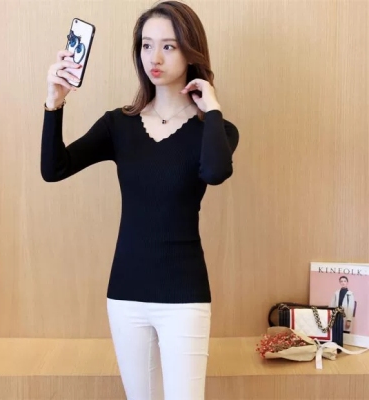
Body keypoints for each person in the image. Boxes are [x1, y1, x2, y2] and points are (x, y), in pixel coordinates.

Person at [41, 1, 239, 399]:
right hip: (126, 294)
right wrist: (54, 102)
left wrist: (213, 108)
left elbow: (215, 173)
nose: (155, 57)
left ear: (191, 52)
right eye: (147, 45)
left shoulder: (217, 130)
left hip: (184, 297)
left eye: (169, 46)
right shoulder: (119, 125)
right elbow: (54, 168)